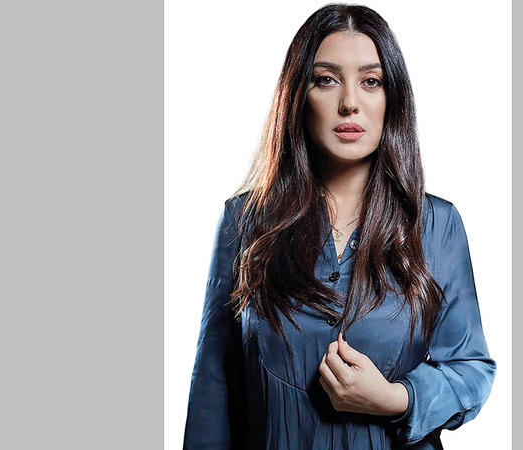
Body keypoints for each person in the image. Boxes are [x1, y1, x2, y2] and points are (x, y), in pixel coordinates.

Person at [183, 4, 496, 449]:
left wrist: (395, 399)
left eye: (371, 81)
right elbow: (213, 386)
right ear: (298, 95)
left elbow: (471, 368)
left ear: (392, 99)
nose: (350, 103)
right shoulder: (245, 221)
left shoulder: (436, 225)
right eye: (327, 80)